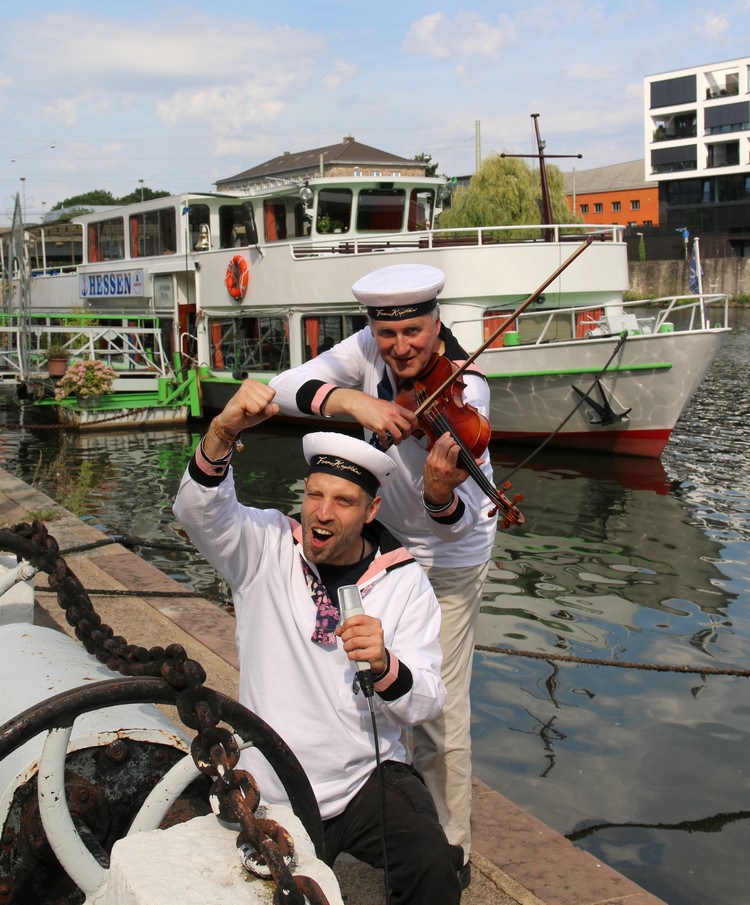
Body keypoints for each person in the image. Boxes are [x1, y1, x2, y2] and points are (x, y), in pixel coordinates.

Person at [172, 379, 463, 904]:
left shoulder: (403, 580)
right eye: (314, 495)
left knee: (432, 865)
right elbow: (197, 511)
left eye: (344, 502)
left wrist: (386, 664)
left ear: (370, 512)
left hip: (363, 781)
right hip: (271, 781)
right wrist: (221, 431)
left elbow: (427, 702)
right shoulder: (263, 548)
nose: (322, 514)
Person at [269, 263, 497, 885]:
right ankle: (368, 795)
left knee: (437, 709)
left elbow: (458, 521)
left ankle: (449, 851)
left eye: (414, 333)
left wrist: (439, 491)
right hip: (381, 546)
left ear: (437, 323)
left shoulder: (467, 393)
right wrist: (350, 399)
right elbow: (283, 385)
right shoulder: (370, 348)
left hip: (447, 557)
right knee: (359, 668)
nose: (400, 349)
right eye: (389, 334)